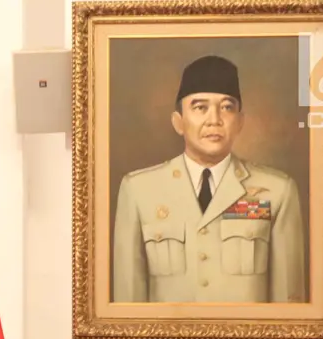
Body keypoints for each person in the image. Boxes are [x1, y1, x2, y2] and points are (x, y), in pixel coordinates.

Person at [111, 55, 306, 304]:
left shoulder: (277, 191)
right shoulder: (139, 191)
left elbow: (288, 308)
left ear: (240, 122)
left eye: (226, 107)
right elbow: (128, 305)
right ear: (178, 122)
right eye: (200, 107)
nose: (214, 119)